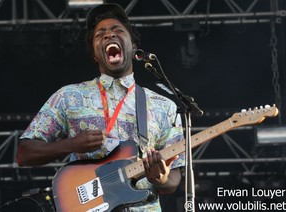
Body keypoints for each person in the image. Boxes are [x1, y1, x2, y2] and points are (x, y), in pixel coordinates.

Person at [16, 3, 185, 211]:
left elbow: (174, 179)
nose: (108, 35)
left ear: (133, 46)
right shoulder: (69, 96)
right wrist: (71, 145)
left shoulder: (164, 106)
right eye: (100, 34)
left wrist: (161, 178)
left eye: (117, 30)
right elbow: (24, 153)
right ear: (95, 55)